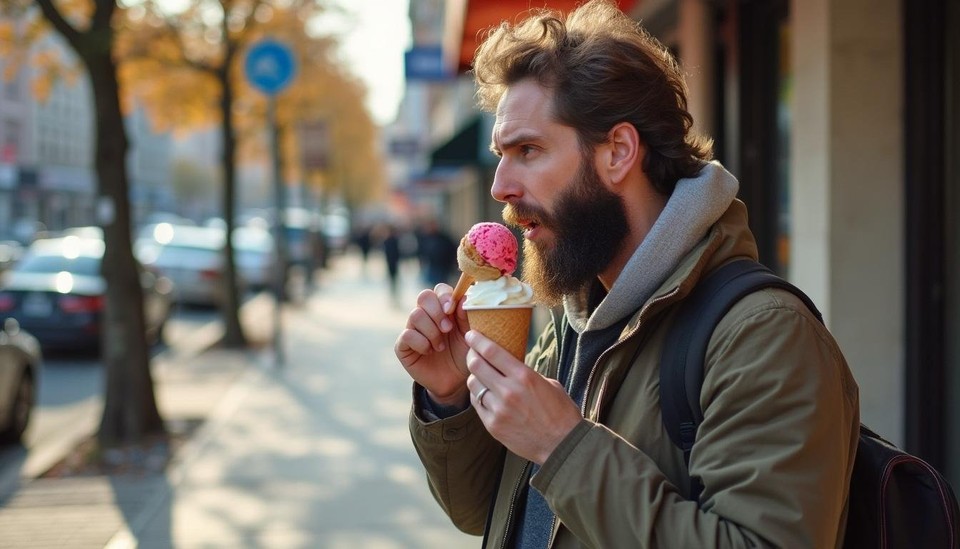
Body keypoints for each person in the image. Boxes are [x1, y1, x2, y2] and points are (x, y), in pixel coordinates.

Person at [394, 1, 860, 547]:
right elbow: (487, 512)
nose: (500, 187)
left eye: (528, 150)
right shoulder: (575, 320)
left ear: (618, 151)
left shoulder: (764, 335)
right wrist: (450, 398)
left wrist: (563, 445)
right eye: (501, 154)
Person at [416, 218, 458, 287]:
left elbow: (453, 249)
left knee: (442, 285)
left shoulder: (444, 238)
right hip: (432, 266)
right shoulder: (425, 238)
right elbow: (421, 251)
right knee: (432, 286)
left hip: (443, 267)